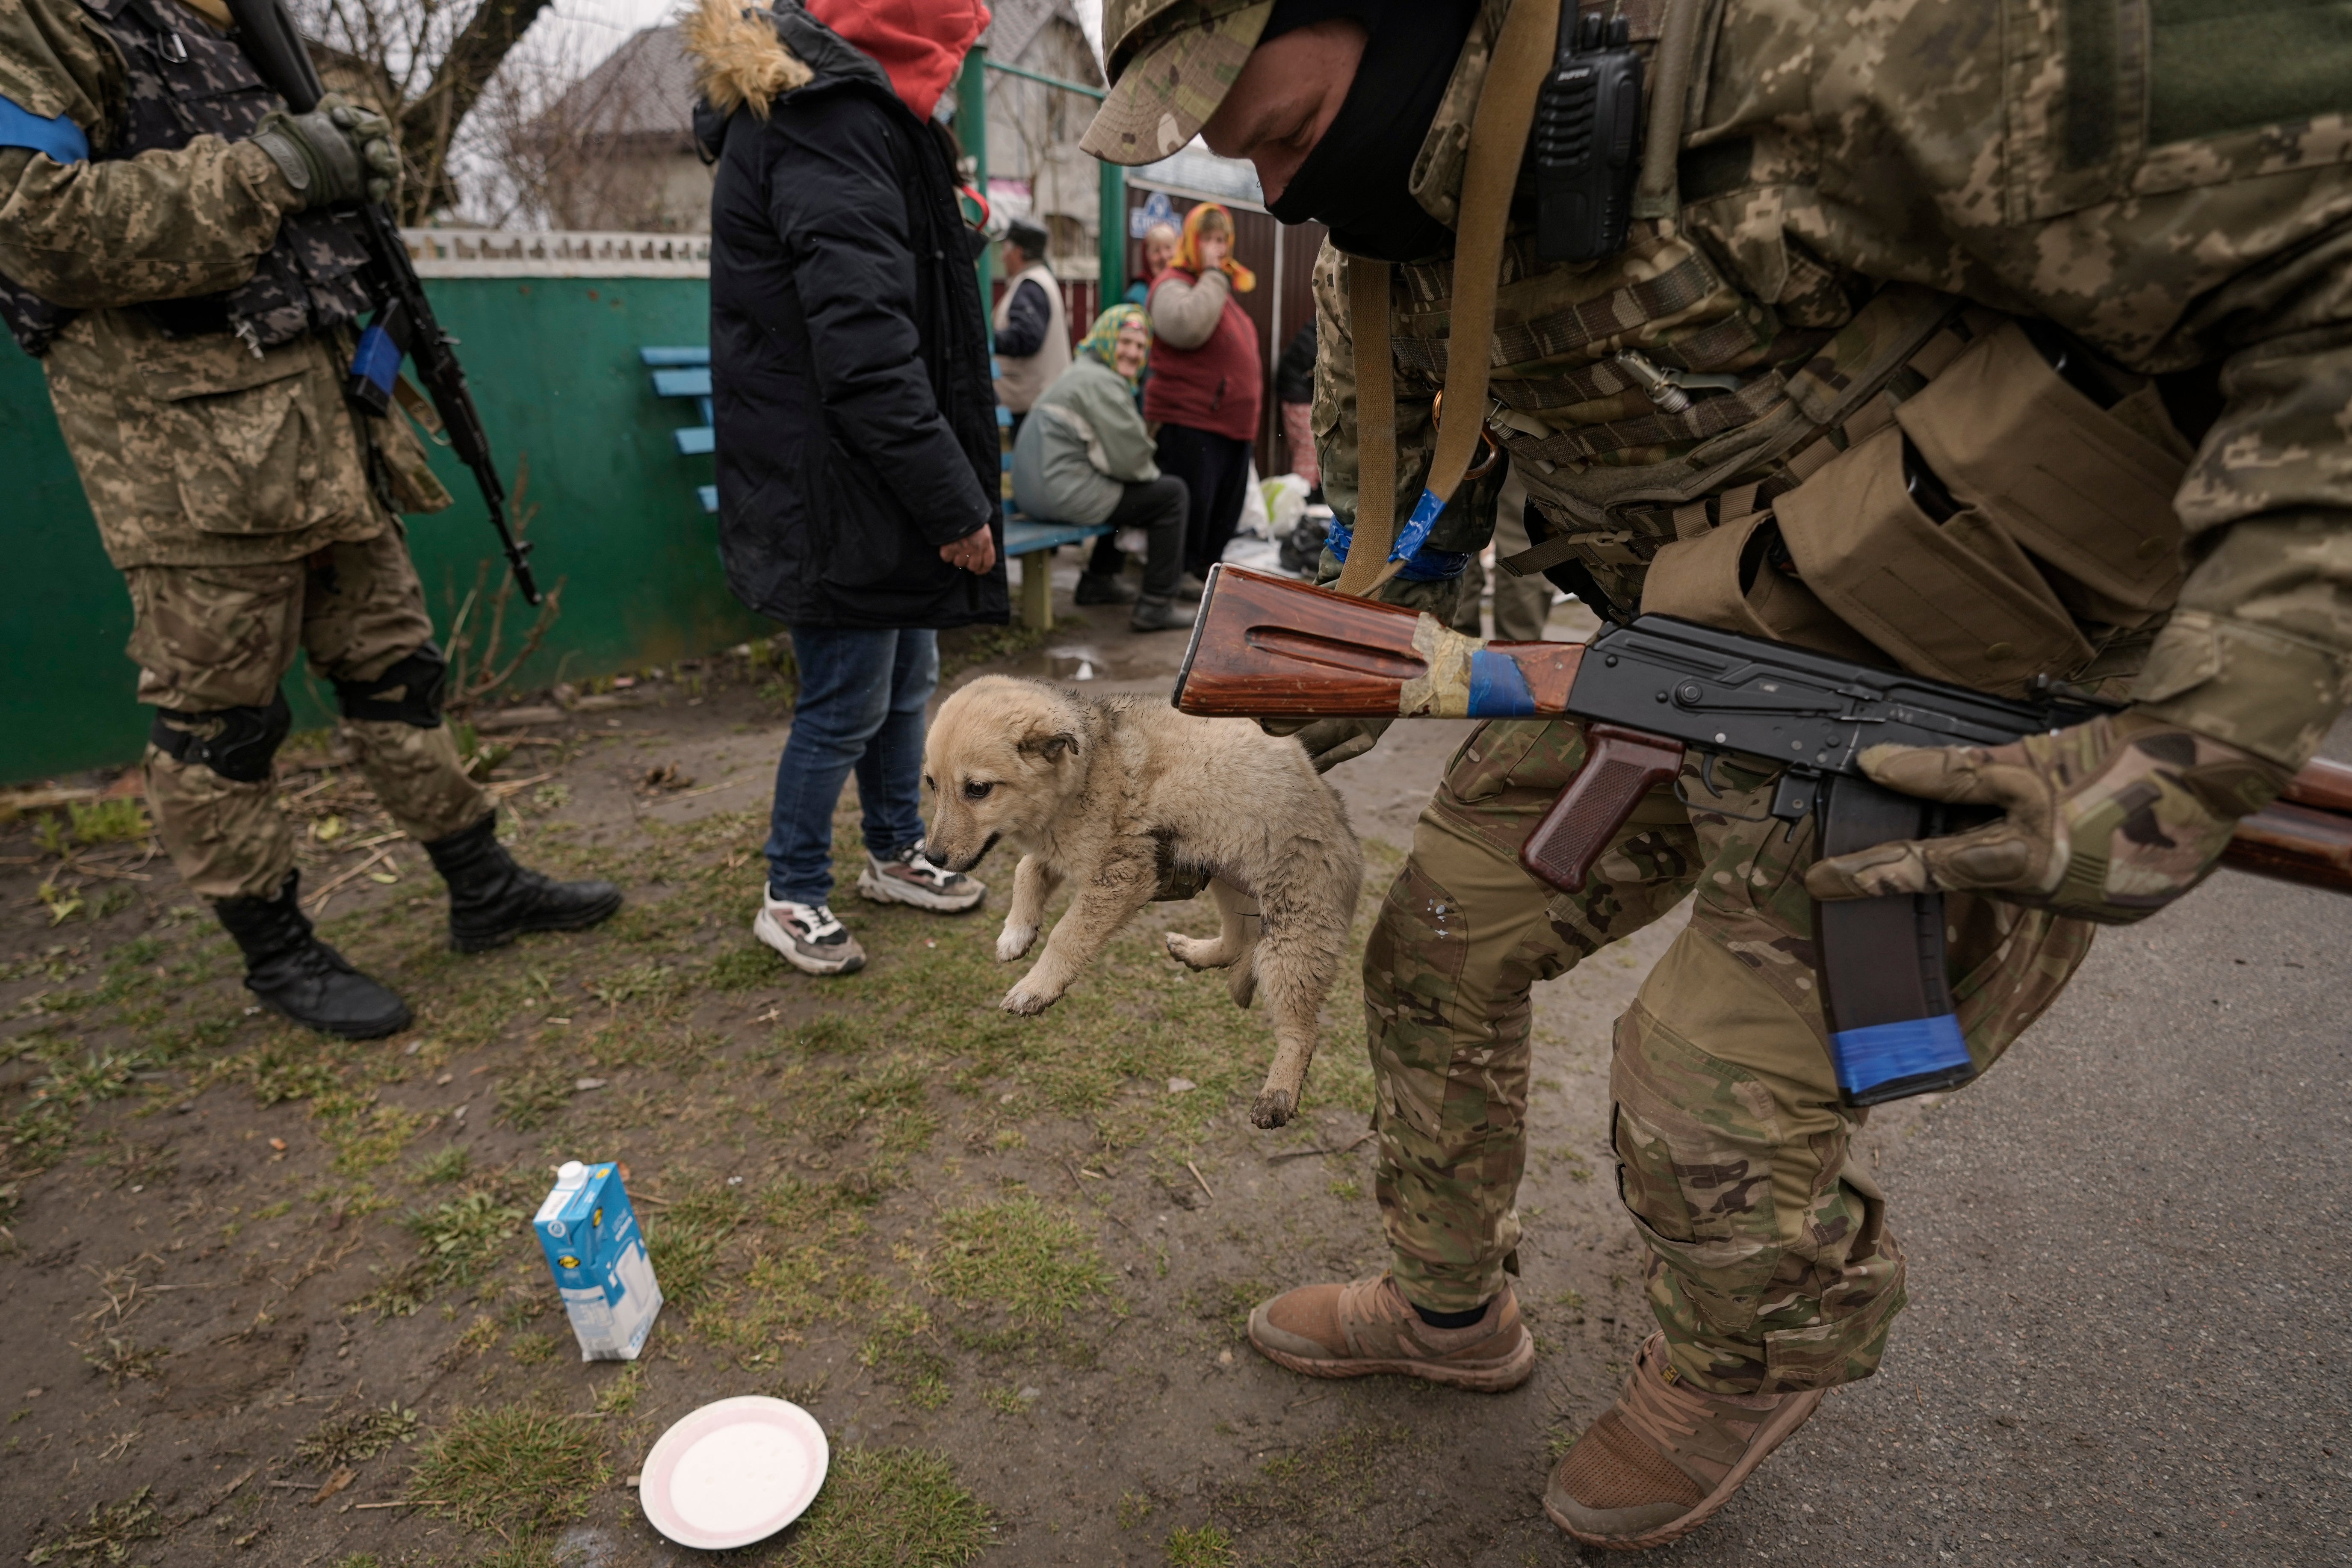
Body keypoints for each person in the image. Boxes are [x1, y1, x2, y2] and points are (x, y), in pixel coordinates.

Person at [1084, 0, 2352, 1551]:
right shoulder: (1391, 231)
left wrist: (2210, 737)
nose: (1269, 186)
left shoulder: (1803, 47)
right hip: (1670, 666)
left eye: (1259, 113)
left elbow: (2319, 230)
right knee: (1433, 944)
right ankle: (1447, 1304)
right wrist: (1281, 728)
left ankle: (1754, 1355)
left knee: (1698, 1095)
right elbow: (1396, 528)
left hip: (1964, 707)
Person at [0, 0, 621, 1040]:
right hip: (187, 458)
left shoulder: (226, 21)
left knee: (395, 668)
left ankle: (482, 881)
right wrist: (278, 170)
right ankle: (277, 950)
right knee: (221, 719)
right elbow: (36, 227)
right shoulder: (48, 19)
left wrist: (342, 166)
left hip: (325, 428)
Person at [686, 0, 1003, 979]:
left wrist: (947, 231)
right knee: (843, 697)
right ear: (909, 36)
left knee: (901, 674)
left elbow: (875, 287)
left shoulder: (845, 116)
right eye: (951, 47)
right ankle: (791, 890)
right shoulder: (828, 122)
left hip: (855, 470)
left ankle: (894, 847)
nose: (954, 68)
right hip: (833, 478)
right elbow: (864, 356)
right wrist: (953, 502)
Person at [1011, 305, 1190, 631]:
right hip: (1058, 493)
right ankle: (1156, 604)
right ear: (1106, 338)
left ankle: (1098, 582)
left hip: (1035, 493)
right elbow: (1133, 461)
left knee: (1128, 493)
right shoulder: (1102, 383)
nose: (1134, 353)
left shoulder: (1083, 371)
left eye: (1140, 346)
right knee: (1171, 495)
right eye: (1125, 342)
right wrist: (1151, 471)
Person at [1143, 201, 1263, 588]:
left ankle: (1201, 575)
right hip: (1192, 421)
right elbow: (1185, 326)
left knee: (1222, 513)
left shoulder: (1215, 286)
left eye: (1222, 240)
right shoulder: (1173, 283)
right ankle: (1180, 579)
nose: (1218, 248)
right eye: (1209, 239)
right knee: (1195, 511)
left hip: (1229, 426)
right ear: (1192, 242)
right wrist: (1212, 274)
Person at [992, 218, 1068, 439]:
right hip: (1040, 401)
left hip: (1031, 404)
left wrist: (987, 339)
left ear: (1019, 252)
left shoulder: (1030, 286)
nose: (1002, 256)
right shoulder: (1041, 280)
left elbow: (1027, 337)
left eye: (1006, 249)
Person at [1274, 321, 1320, 494]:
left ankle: (1310, 496)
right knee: (1308, 446)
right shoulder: (1331, 326)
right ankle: (1302, 498)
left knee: (1315, 446)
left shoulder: (1328, 320)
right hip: (1296, 391)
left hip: (1301, 388)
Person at [1123, 219, 1180, 307]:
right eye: (1156, 251)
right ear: (1146, 257)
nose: (1164, 256)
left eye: (1168, 248)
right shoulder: (1136, 298)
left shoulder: (1187, 288)